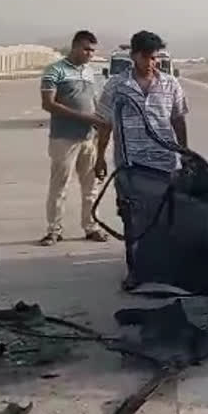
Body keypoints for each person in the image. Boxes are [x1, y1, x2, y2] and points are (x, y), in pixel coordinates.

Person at [95, 30, 190, 289]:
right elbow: (105, 125)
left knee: (163, 218)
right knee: (133, 218)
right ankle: (135, 271)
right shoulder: (117, 86)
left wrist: (185, 154)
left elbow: (178, 120)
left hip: (164, 163)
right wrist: (100, 157)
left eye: (156, 57)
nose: (153, 62)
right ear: (134, 56)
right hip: (130, 165)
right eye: (148, 57)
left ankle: (163, 269)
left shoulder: (171, 84)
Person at [39, 30, 109, 246]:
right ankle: (54, 229)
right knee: (60, 186)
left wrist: (98, 126)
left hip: (89, 138)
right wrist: (83, 117)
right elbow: (48, 104)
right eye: (86, 49)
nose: (90, 54)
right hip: (64, 138)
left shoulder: (89, 72)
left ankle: (91, 226)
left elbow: (94, 102)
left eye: (92, 51)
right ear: (75, 47)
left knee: (91, 187)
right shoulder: (55, 70)